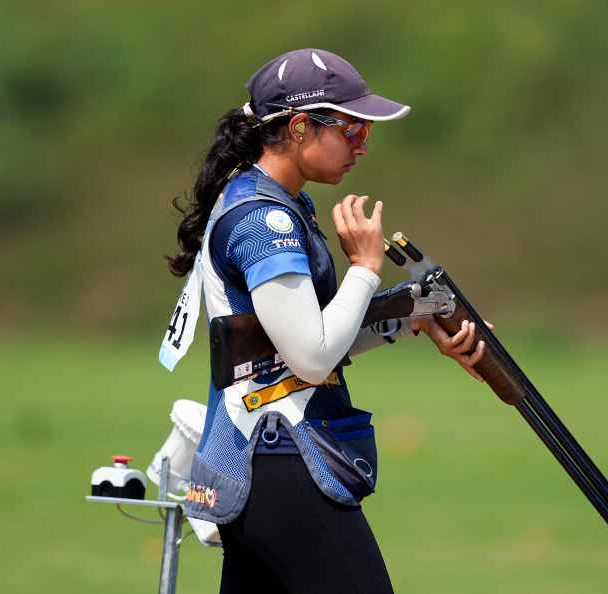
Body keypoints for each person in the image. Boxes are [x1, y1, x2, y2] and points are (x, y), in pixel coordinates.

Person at [164, 48, 487, 594]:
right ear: (297, 128)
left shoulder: (278, 205)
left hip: (263, 456)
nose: (363, 145)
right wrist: (364, 268)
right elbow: (311, 358)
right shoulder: (265, 219)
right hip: (279, 455)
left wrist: (412, 314)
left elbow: (306, 340)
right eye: (352, 128)